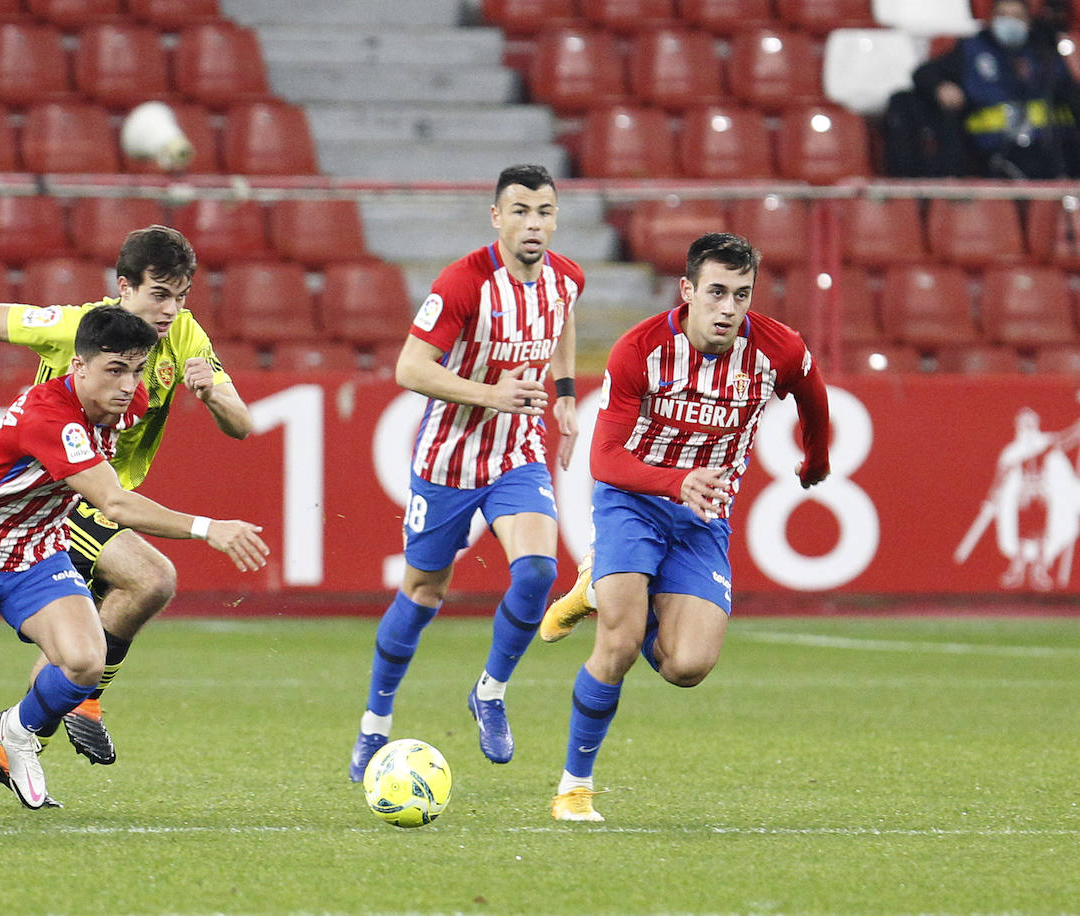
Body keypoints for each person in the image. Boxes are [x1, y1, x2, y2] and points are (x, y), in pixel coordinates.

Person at [0, 225, 250, 770]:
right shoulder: (76, 326)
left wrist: (213, 393)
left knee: (92, 638)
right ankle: (69, 708)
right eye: (159, 294)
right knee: (150, 579)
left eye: (181, 296)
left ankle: (27, 736)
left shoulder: (187, 340)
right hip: (62, 495)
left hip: (98, 495)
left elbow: (241, 425)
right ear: (124, 288)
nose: (171, 310)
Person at [538, 233, 830, 822]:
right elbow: (606, 460)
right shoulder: (639, 349)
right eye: (717, 292)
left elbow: (812, 392)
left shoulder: (777, 349)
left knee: (687, 667)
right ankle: (574, 786)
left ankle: (603, 589)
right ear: (688, 291)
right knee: (617, 644)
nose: (728, 308)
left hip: (701, 522)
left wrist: (816, 457)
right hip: (633, 501)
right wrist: (676, 481)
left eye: (741, 295)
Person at [347, 164, 584, 781]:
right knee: (423, 592)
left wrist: (564, 394)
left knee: (537, 571)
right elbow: (409, 369)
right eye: (521, 212)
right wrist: (489, 394)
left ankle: (490, 693)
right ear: (496, 217)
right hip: (449, 456)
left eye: (545, 212)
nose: (534, 224)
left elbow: (561, 327)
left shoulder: (567, 280)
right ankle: (375, 723)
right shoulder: (463, 282)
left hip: (516, 452)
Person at [891, 0, 1080, 179]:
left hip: (1048, 155)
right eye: (1003, 15)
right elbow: (923, 74)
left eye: (1016, 16)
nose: (1010, 22)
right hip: (990, 157)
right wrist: (941, 86)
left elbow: (1070, 93)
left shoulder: (1044, 52)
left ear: (1028, 22)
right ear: (991, 19)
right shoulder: (973, 51)